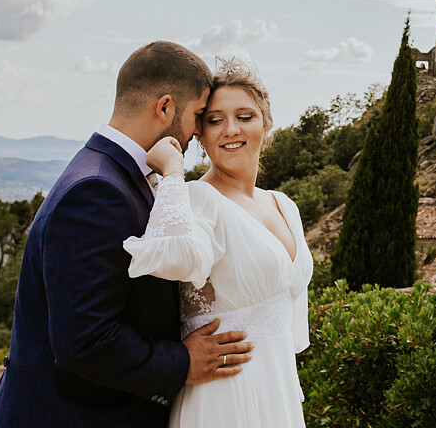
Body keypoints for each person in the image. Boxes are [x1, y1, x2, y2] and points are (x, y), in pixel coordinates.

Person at [0, 41, 254, 428]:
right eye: (198, 114)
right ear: (164, 108)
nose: (197, 130)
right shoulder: (96, 191)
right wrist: (183, 363)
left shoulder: (112, 174)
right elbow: (85, 342)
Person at [124, 57, 314, 428]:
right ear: (200, 133)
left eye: (245, 116)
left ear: (266, 123)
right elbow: (172, 256)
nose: (231, 129)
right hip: (224, 395)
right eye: (215, 120)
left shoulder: (283, 204)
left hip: (277, 387)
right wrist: (173, 172)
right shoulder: (198, 198)